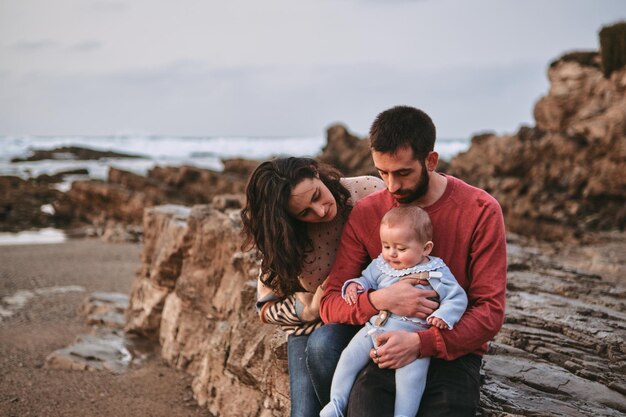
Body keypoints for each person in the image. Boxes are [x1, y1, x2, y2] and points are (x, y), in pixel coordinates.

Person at [315, 105, 507, 417]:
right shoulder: (367, 213)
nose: (391, 186)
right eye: (382, 173)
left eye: (403, 172)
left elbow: (490, 311)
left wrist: (421, 342)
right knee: (363, 405)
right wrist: (380, 298)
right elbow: (330, 303)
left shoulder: (481, 210)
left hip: (452, 350)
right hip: (386, 340)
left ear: (430, 160)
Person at [241, 157, 385, 417]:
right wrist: (311, 307)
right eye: (304, 212)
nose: (320, 211)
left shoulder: (367, 191)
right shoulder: (287, 237)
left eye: (317, 195)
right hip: (320, 322)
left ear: (316, 173)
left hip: (380, 310)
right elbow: (265, 308)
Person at [320, 206, 467, 417]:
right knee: (348, 358)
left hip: (412, 337)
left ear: (425, 249)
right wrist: (355, 285)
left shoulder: (435, 272)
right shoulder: (381, 265)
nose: (392, 253)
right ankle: (336, 403)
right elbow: (366, 279)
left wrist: (443, 316)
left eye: (401, 248)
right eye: (386, 245)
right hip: (374, 329)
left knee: (411, 381)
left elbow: (457, 297)